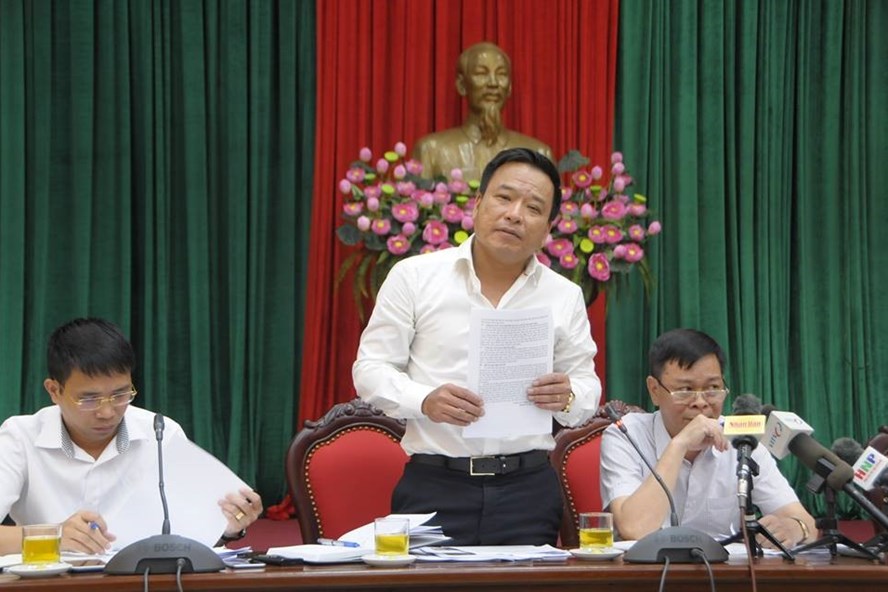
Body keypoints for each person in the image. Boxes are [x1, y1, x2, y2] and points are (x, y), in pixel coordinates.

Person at [353, 147, 601, 545]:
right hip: (435, 484)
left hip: (527, 490)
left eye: (533, 208)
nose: (515, 214)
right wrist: (424, 400)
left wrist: (568, 396)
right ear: (478, 203)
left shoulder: (564, 295)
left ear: (547, 229)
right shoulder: (414, 277)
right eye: (504, 198)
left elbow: (587, 387)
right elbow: (371, 368)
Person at [0, 318, 263, 555]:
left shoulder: (161, 433)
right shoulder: (20, 437)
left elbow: (191, 536)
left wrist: (228, 527)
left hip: (144, 580)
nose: (107, 412)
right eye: (89, 399)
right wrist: (54, 536)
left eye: (120, 395)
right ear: (54, 390)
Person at [600, 328, 816, 548]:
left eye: (713, 388)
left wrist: (794, 528)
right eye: (685, 390)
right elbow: (635, 529)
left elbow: (805, 523)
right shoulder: (625, 435)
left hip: (723, 568)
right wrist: (679, 444)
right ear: (654, 390)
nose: (701, 402)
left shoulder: (742, 440)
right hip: (647, 568)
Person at [413, 42, 553, 181]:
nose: (493, 83)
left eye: (501, 74)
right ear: (462, 85)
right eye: (481, 74)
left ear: (510, 87)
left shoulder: (539, 155)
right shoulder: (431, 151)